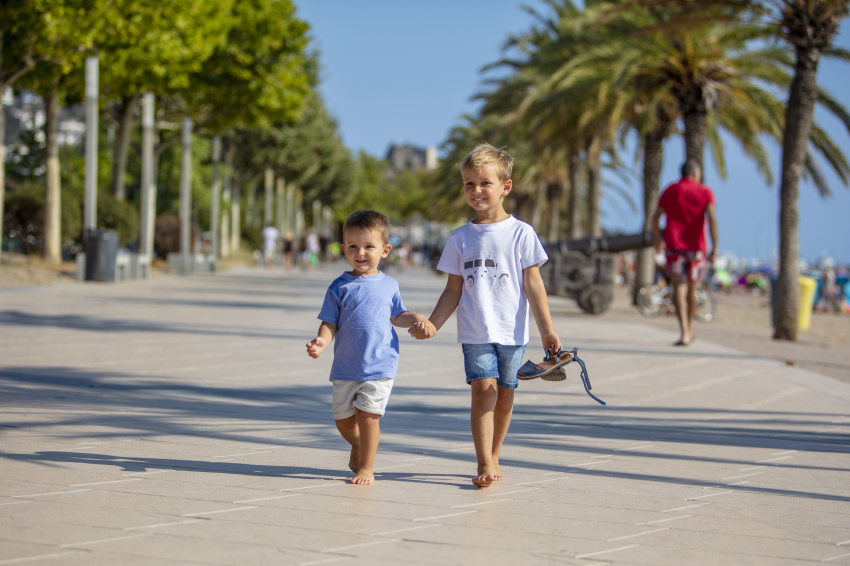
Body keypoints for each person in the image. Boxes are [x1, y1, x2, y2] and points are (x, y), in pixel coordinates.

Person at [409, 143, 561, 488]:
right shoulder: (460, 238)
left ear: (506, 187)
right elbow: (453, 290)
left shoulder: (522, 233)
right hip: (475, 331)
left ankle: (495, 453)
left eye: (484, 183)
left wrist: (547, 331)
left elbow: (534, 285)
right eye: (469, 184)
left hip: (512, 332)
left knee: (505, 394)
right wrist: (433, 323)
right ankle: (484, 461)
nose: (476, 190)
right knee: (483, 390)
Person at [306, 210, 436, 485]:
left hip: (380, 364)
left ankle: (366, 467)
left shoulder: (389, 284)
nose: (360, 253)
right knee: (343, 421)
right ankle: (357, 444)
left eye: (369, 246)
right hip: (346, 366)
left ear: (385, 250)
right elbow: (329, 322)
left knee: (368, 416)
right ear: (344, 249)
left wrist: (418, 318)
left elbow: (398, 316)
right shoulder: (338, 286)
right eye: (353, 246)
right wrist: (322, 341)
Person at [652, 160, 718, 346]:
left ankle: (684, 332)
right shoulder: (705, 192)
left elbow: (655, 218)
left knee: (679, 289)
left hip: (674, 247)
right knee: (692, 290)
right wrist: (715, 247)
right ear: (696, 174)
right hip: (697, 249)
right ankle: (689, 329)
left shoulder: (670, 190)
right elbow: (712, 220)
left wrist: (657, 240)